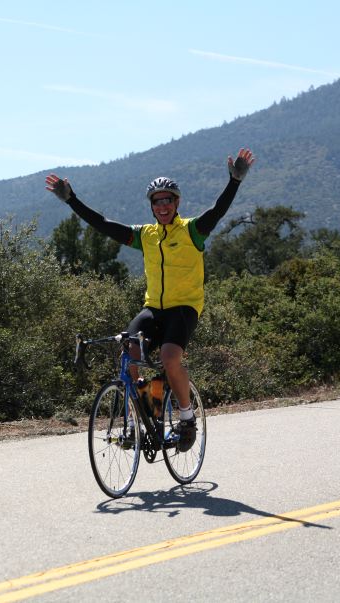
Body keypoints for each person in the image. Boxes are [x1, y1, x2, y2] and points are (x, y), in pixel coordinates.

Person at [46, 148, 255, 452]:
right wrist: (71, 200)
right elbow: (103, 224)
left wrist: (234, 181)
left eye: (168, 200)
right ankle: (137, 417)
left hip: (184, 308)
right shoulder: (145, 235)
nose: (163, 206)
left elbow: (218, 211)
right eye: (157, 201)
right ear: (152, 206)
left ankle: (186, 418)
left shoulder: (192, 231)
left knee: (170, 358)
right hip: (153, 309)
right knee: (129, 349)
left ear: (177, 202)